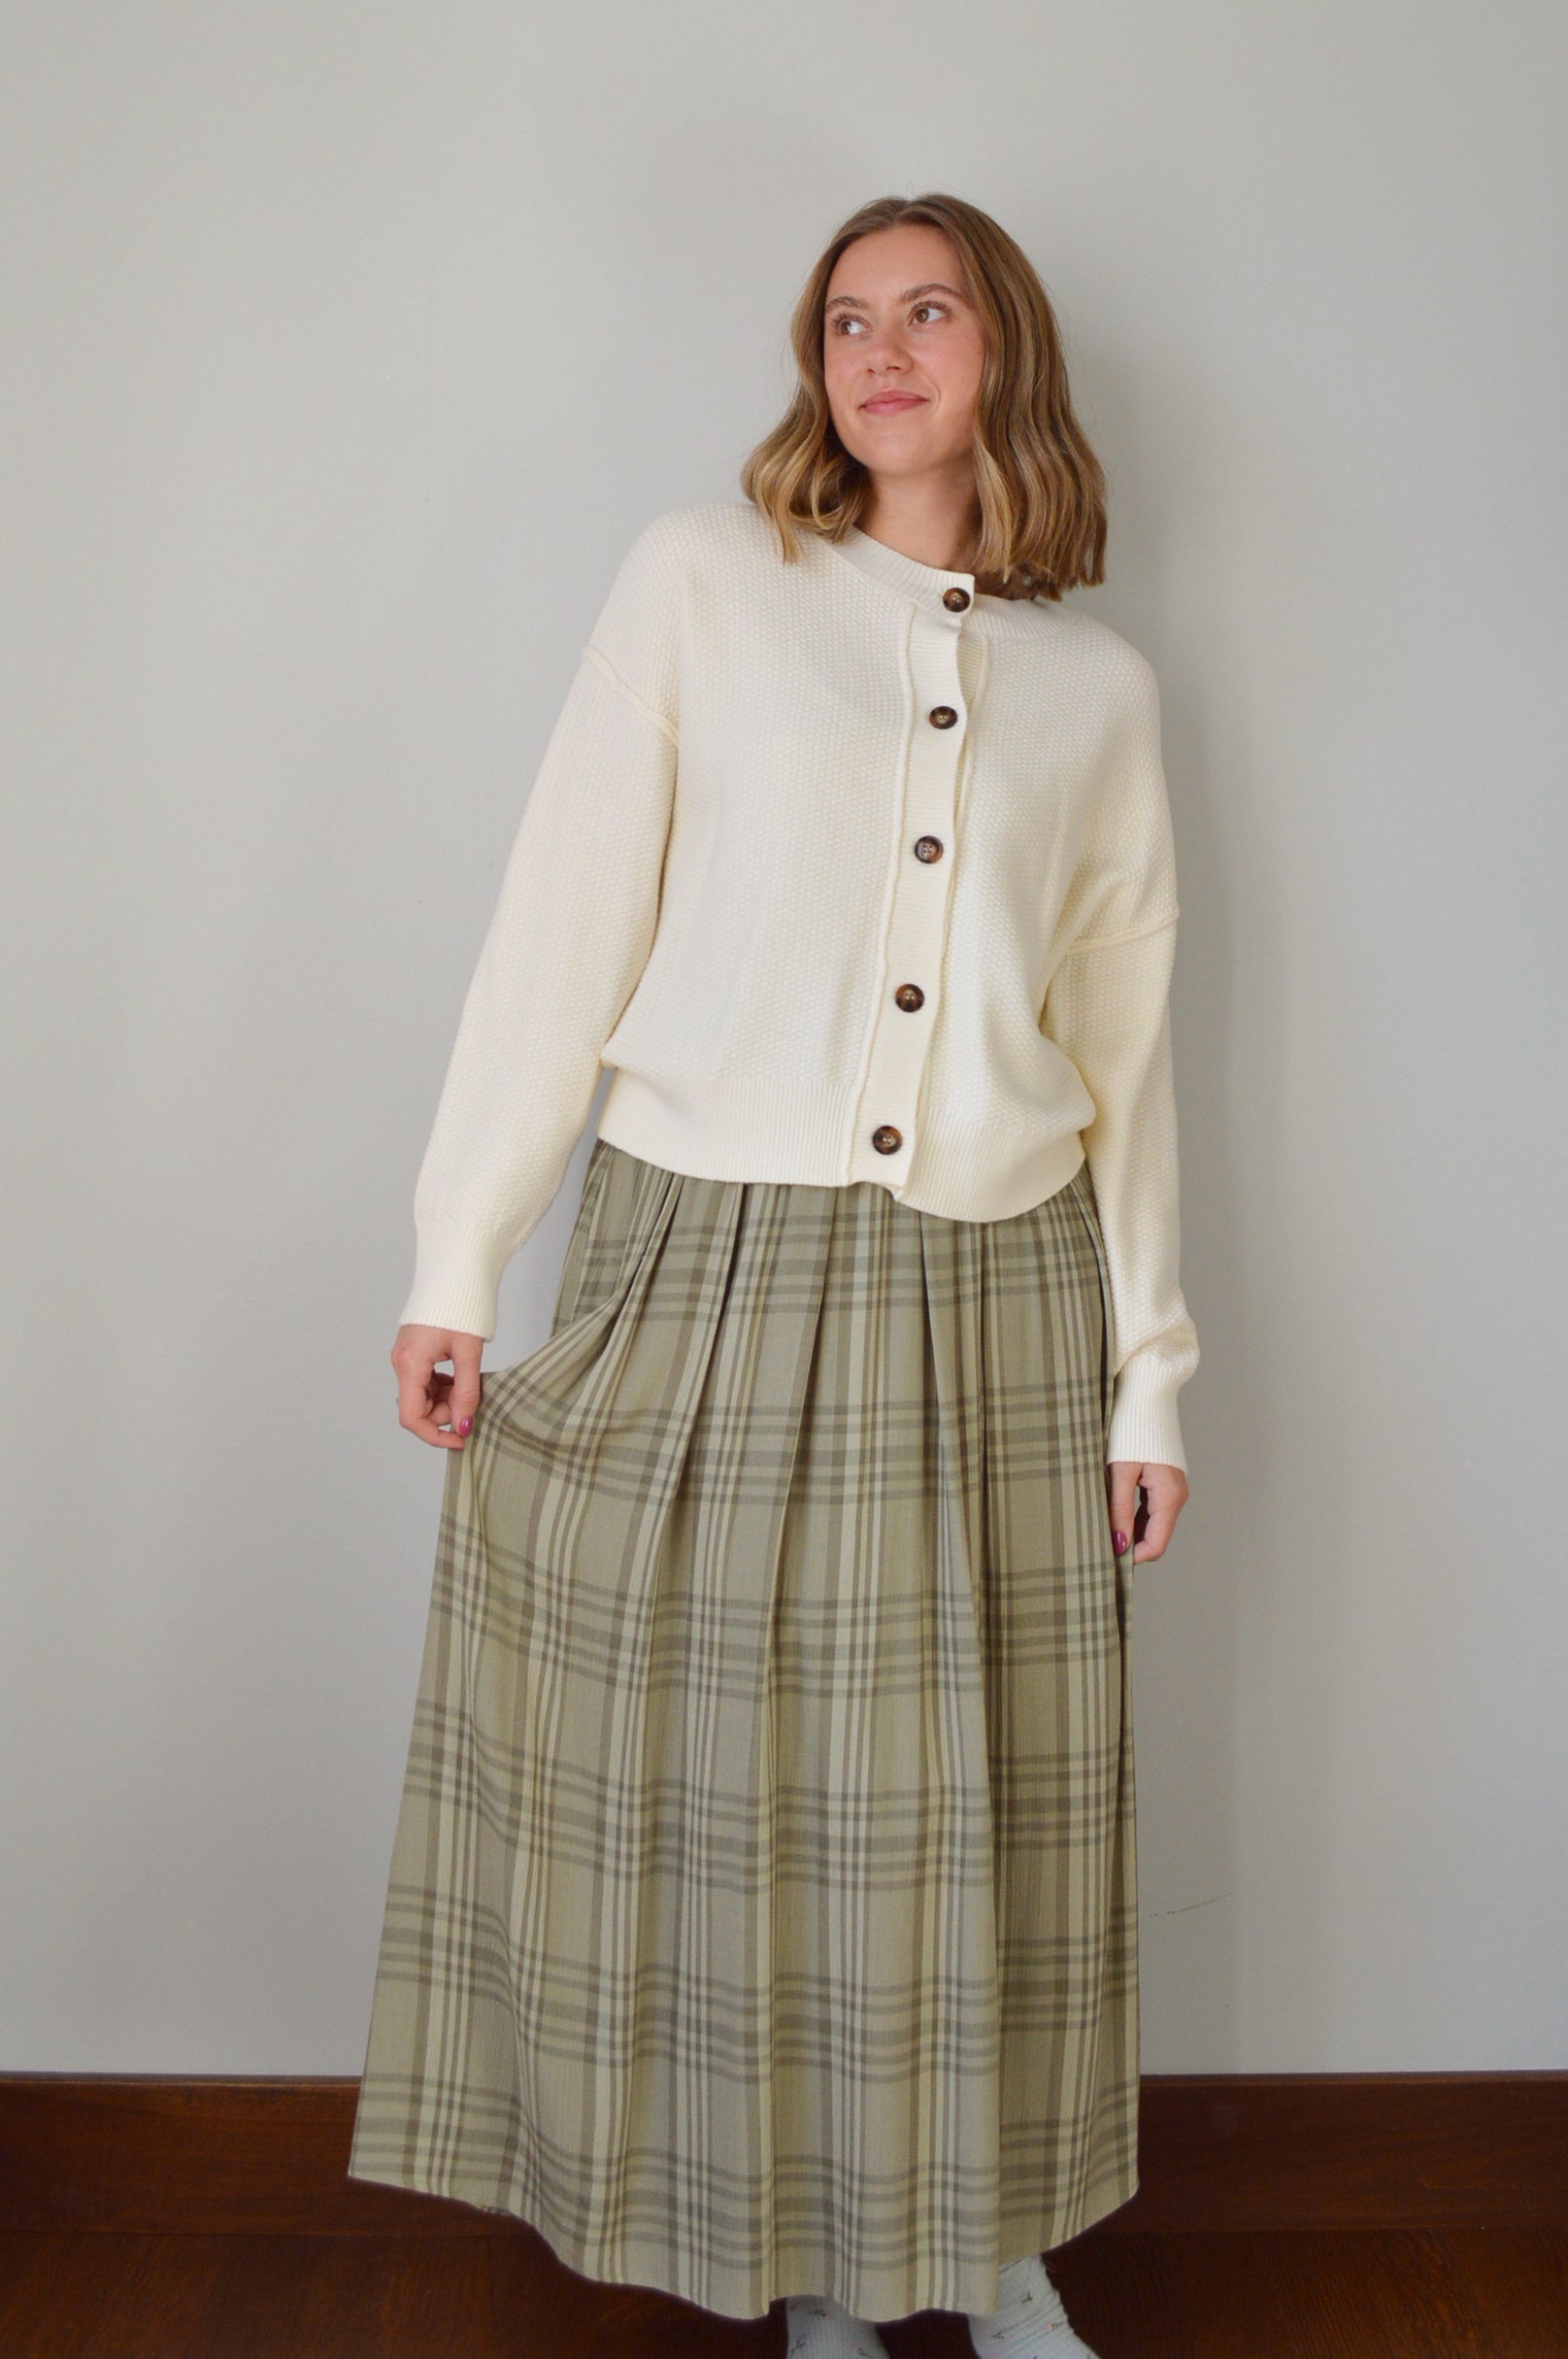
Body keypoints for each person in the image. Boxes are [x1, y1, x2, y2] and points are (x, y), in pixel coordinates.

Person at [347, 190, 1198, 2359]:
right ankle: (810, 2265)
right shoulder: (704, 584)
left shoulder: (1099, 693)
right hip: (705, 1259)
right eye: (845, 320)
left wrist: (1152, 1375)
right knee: (748, 1807)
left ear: (1006, 351)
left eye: (929, 312)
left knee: (976, 1812)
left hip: (999, 1291)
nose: (880, 352)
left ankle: (985, 2253)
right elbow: (562, 926)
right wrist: (461, 1252)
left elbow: (1122, 1062)